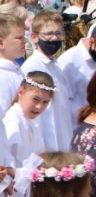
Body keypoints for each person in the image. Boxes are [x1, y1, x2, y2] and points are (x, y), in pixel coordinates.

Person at [21, 11, 73, 150]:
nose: (54, 38)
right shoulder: (31, 68)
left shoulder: (57, 66)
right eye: (48, 34)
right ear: (35, 37)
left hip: (63, 139)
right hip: (45, 143)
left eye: (59, 33)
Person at [3, 72, 56, 170]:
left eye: (45, 102)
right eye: (35, 99)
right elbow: (6, 164)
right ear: (21, 92)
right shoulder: (12, 123)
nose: (39, 107)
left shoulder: (30, 124)